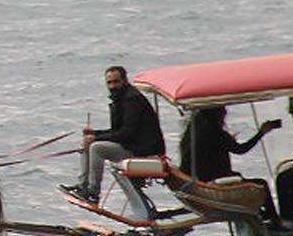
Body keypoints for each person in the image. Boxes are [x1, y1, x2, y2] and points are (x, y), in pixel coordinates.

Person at [61, 65, 163, 202]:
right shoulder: (121, 98)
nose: (112, 86)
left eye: (116, 82)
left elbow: (127, 133)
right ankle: (82, 186)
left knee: (96, 148)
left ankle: (93, 192)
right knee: (87, 142)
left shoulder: (132, 100)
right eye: (109, 83)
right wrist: (94, 134)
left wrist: (96, 138)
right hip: (132, 145)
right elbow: (118, 131)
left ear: (124, 81)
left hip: (142, 150)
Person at [180, 105, 279, 219]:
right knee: (261, 184)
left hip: (202, 178)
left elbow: (212, 149)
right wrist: (261, 132)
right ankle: (273, 219)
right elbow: (241, 149)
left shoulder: (194, 132)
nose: (225, 113)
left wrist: (228, 141)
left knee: (238, 176)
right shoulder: (215, 132)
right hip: (214, 183)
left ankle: (261, 214)